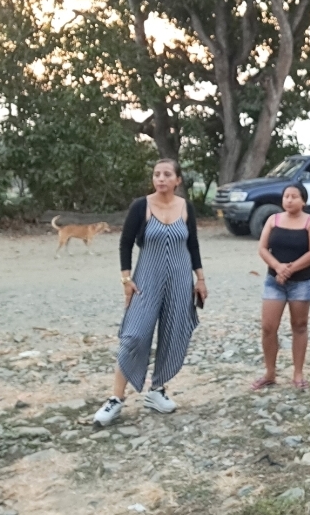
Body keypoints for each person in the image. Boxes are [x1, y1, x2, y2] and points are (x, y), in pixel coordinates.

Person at [94, 159, 208, 425]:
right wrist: (126, 279)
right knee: (134, 335)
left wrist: (200, 279)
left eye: (167, 174)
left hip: (180, 279)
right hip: (146, 279)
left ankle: (157, 390)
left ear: (178, 180)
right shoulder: (141, 206)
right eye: (157, 174)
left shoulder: (185, 207)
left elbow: (193, 245)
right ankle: (115, 399)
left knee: (173, 332)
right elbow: (125, 244)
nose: (161, 179)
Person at [250, 183, 310, 391]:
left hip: (302, 282)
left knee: (299, 326)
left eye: (294, 196)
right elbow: (262, 248)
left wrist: (289, 270)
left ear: (303, 200)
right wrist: (278, 267)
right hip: (274, 282)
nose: (289, 200)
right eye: (286, 196)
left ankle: (298, 373)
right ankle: (270, 373)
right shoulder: (273, 220)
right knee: (268, 327)